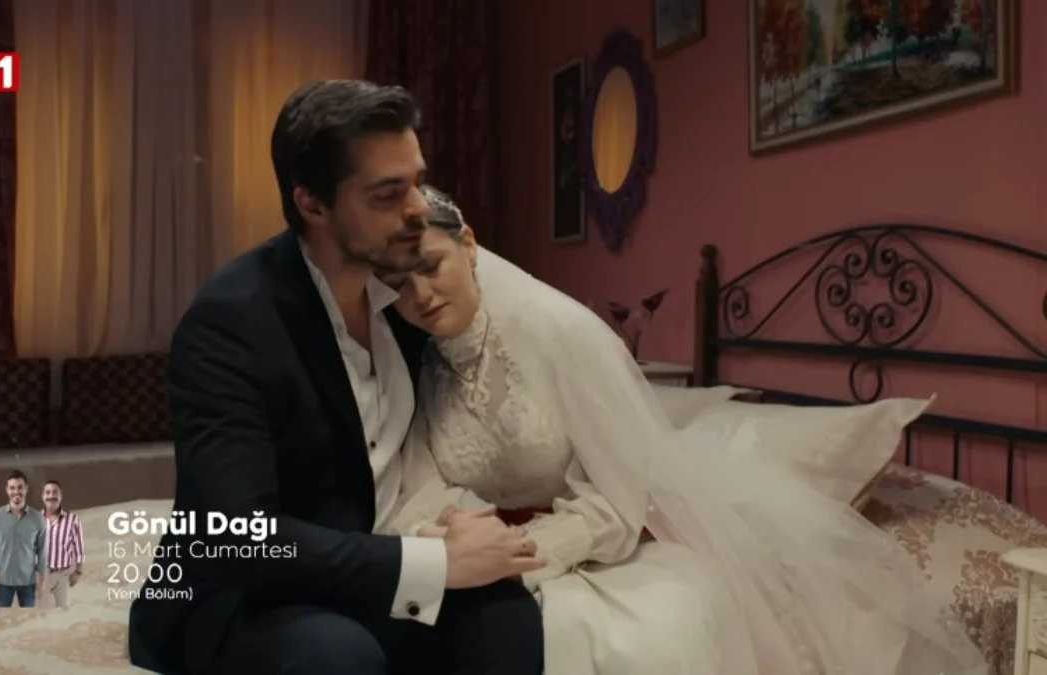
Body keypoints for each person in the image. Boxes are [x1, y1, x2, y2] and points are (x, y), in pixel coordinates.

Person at [379, 185, 991, 675]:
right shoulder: (427, 358)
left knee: (620, 636)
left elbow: (621, 496)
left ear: (468, 244)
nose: (421, 296)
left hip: (604, 542)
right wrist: (453, 542)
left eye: (431, 266)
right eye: (399, 285)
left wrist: (523, 554)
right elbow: (421, 481)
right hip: (488, 551)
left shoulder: (560, 331)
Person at [127, 80, 546, 675]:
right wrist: (429, 561)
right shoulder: (231, 320)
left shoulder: (408, 300)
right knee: (336, 656)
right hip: (247, 593)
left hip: (362, 577)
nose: (417, 210)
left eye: (417, 182)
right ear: (313, 206)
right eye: (387, 194)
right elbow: (232, 534)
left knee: (504, 611)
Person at [0, 470, 48, 608]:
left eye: (20, 487)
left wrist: (42, 582)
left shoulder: (38, 519)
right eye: (12, 488)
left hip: (28, 583)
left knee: (28, 620)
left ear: (26, 489)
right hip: (2, 583)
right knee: (2, 619)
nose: (16, 491)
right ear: (7, 490)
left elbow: (42, 552)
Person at [41, 479, 84, 608]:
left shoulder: (72, 520)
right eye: (48, 492)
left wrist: (78, 572)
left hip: (63, 576)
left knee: (64, 613)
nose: (51, 496)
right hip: (40, 576)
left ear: (61, 495)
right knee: (42, 614)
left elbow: (79, 548)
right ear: (43, 496)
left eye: (55, 492)